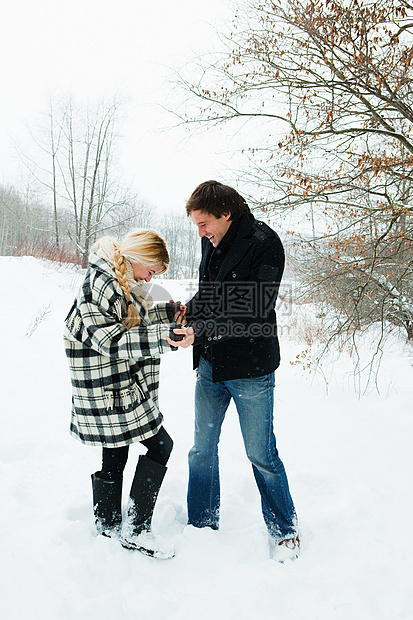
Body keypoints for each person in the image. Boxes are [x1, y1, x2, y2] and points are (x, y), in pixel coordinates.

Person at [167, 180, 300, 562]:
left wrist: (199, 331)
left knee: (260, 453)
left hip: (251, 369)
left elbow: (252, 310)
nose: (200, 232)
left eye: (204, 223)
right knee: (201, 450)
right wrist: (188, 311)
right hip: (211, 366)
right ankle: (202, 523)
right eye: (196, 225)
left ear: (225, 214)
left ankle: (284, 529)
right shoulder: (211, 240)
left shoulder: (264, 243)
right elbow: (211, 294)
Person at [64, 229, 185, 559]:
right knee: (157, 445)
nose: (150, 278)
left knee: (117, 452)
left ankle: (111, 527)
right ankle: (132, 529)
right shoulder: (97, 285)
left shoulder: (122, 281)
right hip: (104, 387)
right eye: (152, 271)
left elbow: (134, 321)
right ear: (138, 260)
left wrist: (167, 315)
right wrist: (166, 338)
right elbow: (111, 339)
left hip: (119, 384)